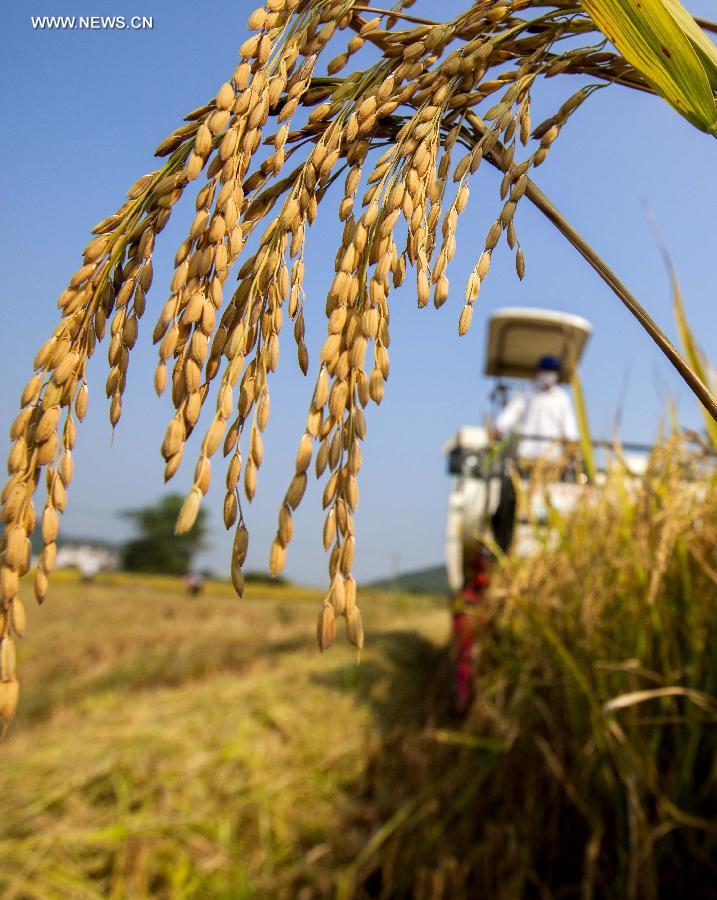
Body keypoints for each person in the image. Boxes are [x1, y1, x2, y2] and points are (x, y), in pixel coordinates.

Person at [494, 355, 579, 460]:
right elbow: (513, 411)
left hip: (553, 456)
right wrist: (501, 427)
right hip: (527, 453)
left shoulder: (562, 397)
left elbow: (568, 422)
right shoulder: (527, 392)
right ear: (539, 371)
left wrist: (572, 443)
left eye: (552, 371)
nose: (549, 374)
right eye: (546, 370)